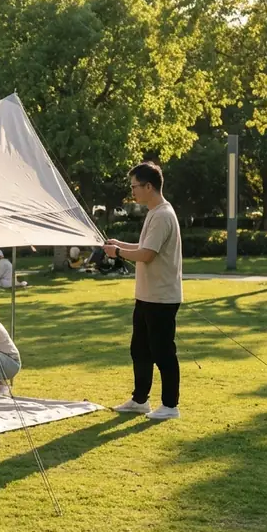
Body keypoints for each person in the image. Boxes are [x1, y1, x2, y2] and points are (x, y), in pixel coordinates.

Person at [104, 161, 183, 420]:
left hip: (161, 298)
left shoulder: (162, 215)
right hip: (146, 296)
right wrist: (120, 243)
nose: (132, 191)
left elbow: (147, 255)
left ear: (149, 186)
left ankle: (170, 406)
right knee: (140, 349)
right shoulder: (154, 212)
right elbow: (143, 245)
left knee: (163, 352)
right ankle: (140, 400)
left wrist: (117, 253)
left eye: (135, 186)